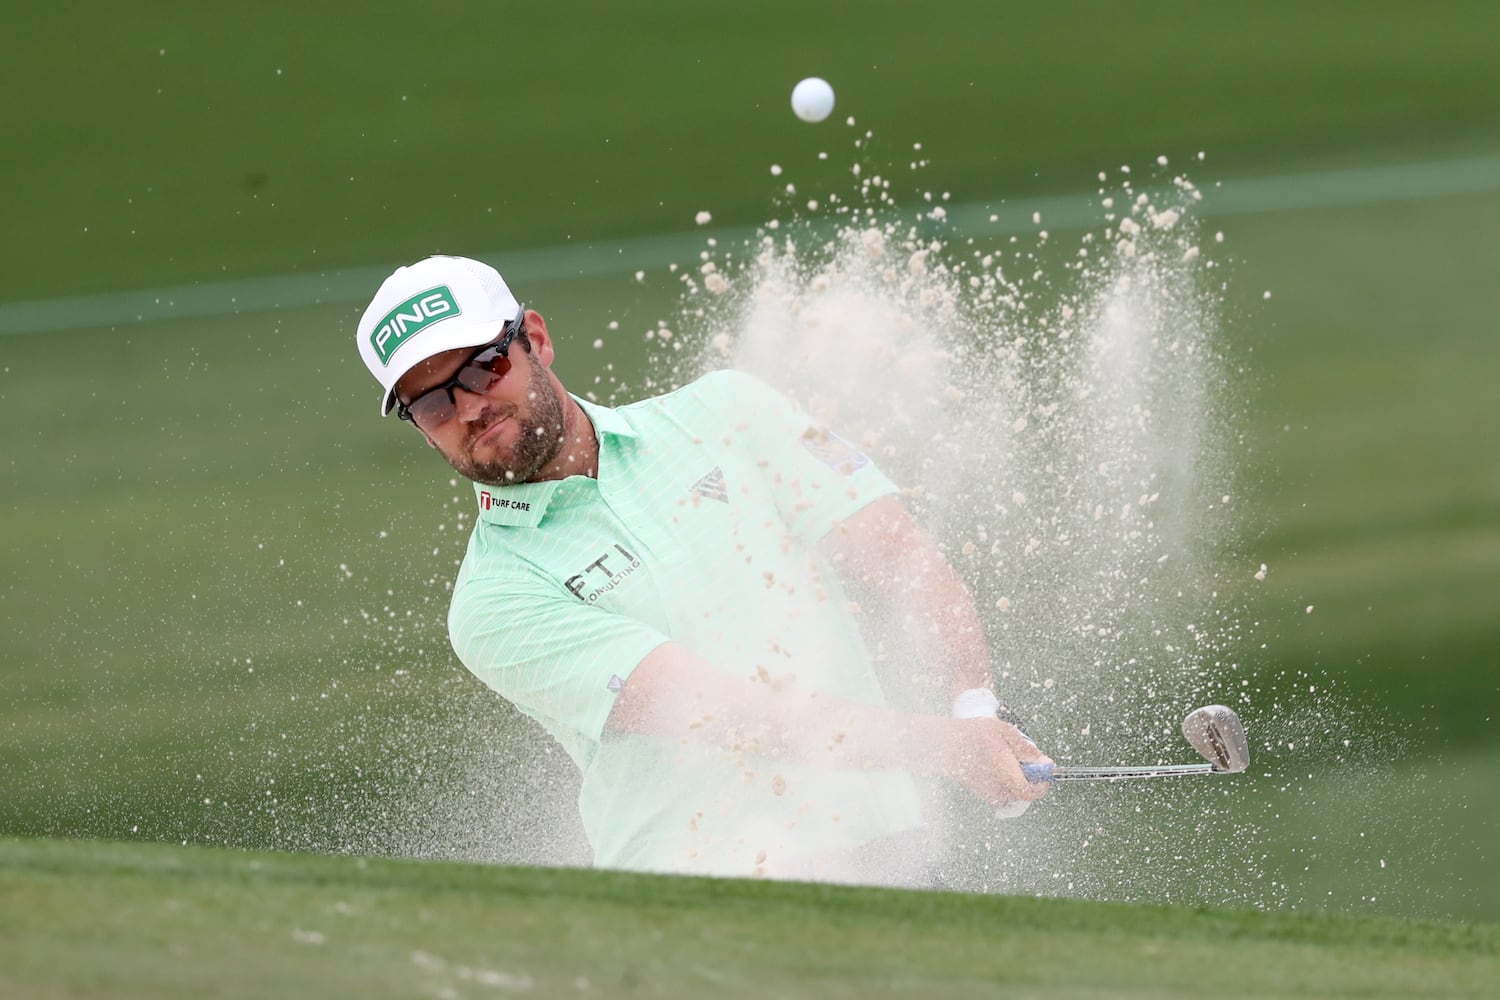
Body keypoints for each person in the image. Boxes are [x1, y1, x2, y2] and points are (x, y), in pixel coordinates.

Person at [356, 254, 1051, 883]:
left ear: (534, 339)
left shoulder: (730, 408)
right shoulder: (492, 603)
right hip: (703, 910)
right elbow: (723, 713)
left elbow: (903, 559)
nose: (470, 407)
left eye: (483, 366)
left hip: (890, 859)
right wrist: (946, 748)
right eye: (432, 401)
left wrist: (975, 704)